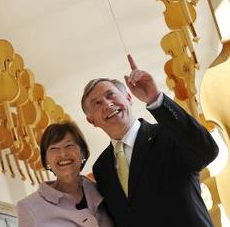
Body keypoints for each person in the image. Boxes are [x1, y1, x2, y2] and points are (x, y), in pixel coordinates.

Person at [81, 54, 219, 227]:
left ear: (129, 98)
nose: (107, 104)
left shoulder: (168, 135)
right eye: (97, 103)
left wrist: (155, 99)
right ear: (91, 120)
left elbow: (206, 151)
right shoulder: (101, 168)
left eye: (111, 95)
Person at [17, 122, 114, 227]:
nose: (63, 154)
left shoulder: (104, 191)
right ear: (46, 159)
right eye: (54, 148)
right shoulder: (29, 207)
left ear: (83, 152)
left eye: (69, 145)